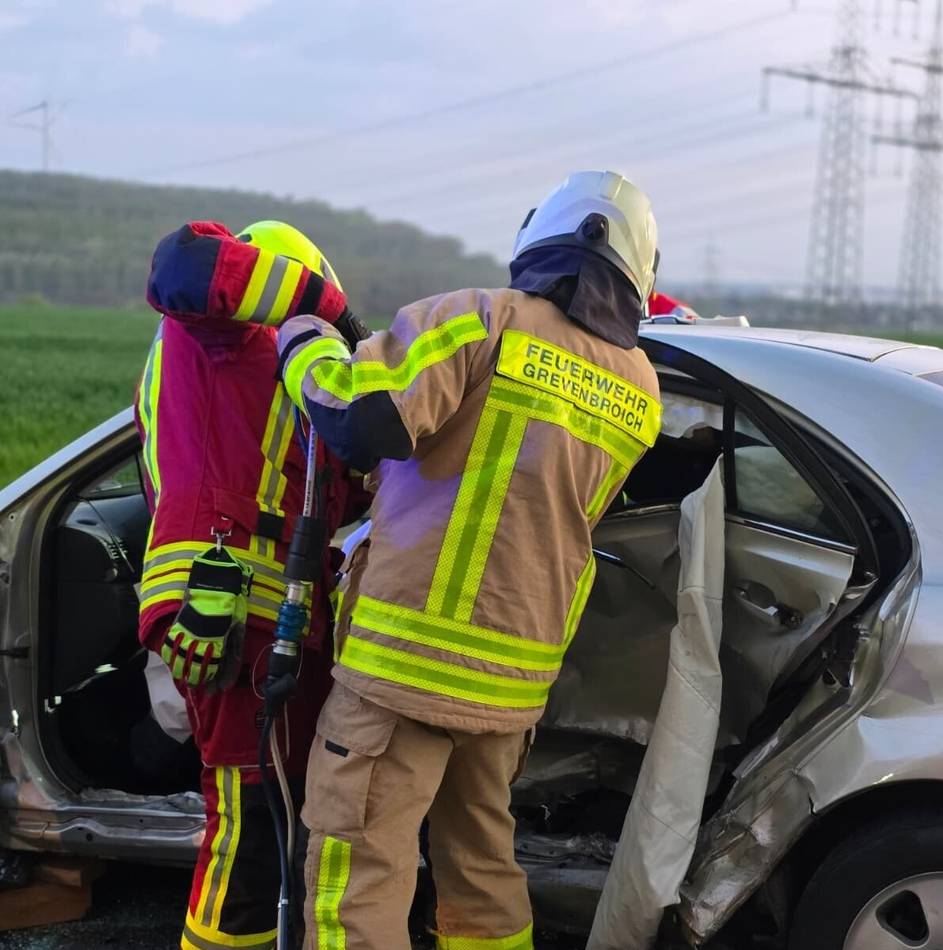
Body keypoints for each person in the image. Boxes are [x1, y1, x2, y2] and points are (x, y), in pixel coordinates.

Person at [276, 170, 663, 950]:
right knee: (482, 870)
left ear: (539, 237)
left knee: (357, 881)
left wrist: (302, 344)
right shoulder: (639, 387)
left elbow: (362, 418)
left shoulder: (482, 319)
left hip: (407, 667)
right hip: (511, 684)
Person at [136, 219, 371, 950]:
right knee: (246, 821)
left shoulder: (279, 373)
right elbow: (181, 263)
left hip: (282, 616)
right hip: (225, 605)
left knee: (279, 813)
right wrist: (332, 311)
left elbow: (332, 496)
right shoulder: (218, 331)